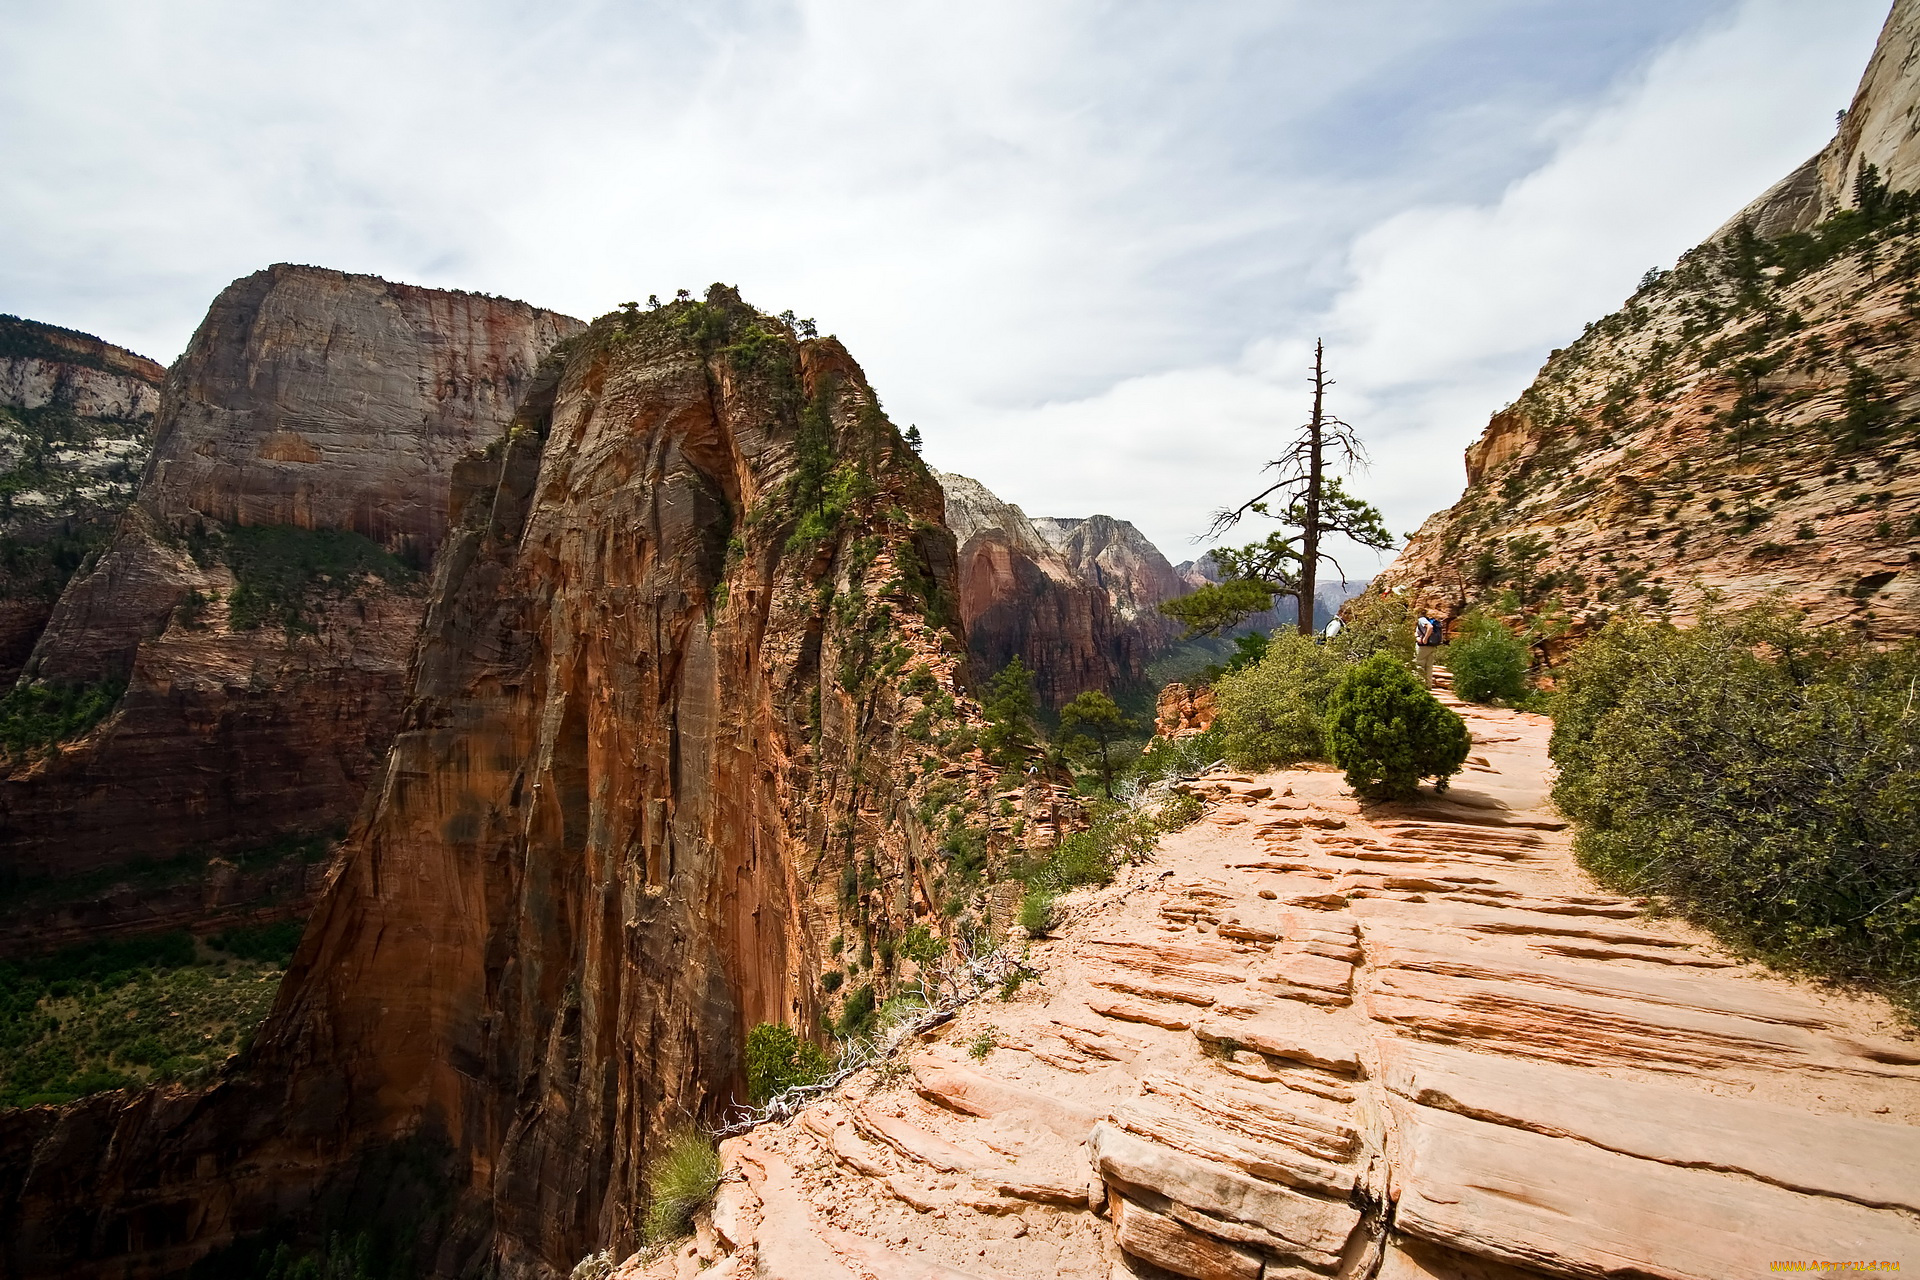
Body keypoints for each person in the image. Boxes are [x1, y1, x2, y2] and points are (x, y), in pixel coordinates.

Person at [1414, 611, 1443, 688]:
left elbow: (1430, 627)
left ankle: (1419, 686)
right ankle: (1428, 686)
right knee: (1429, 666)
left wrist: (1425, 639)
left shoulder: (1422, 619)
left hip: (1423, 646)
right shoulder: (1428, 619)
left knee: (1419, 664)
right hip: (1432, 646)